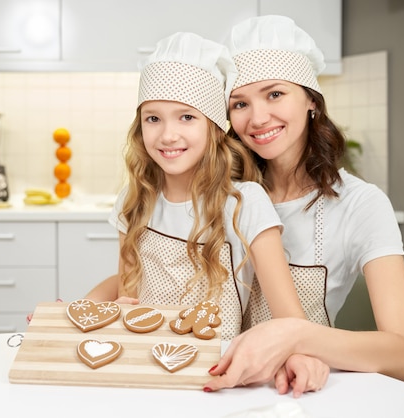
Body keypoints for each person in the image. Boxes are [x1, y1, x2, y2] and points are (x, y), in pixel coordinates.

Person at [203, 15, 404, 392]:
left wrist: (294, 336)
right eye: (239, 103)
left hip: (303, 390)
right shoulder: (222, 194)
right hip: (215, 384)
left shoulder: (361, 205)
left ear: (311, 100)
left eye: (275, 94)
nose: (258, 118)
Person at [84, 31, 310, 344]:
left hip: (220, 370)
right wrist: (97, 310)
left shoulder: (245, 202)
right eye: (153, 118)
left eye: (186, 117)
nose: (167, 135)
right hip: (147, 360)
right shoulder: (133, 200)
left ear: (216, 130)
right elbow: (128, 295)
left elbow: (290, 320)